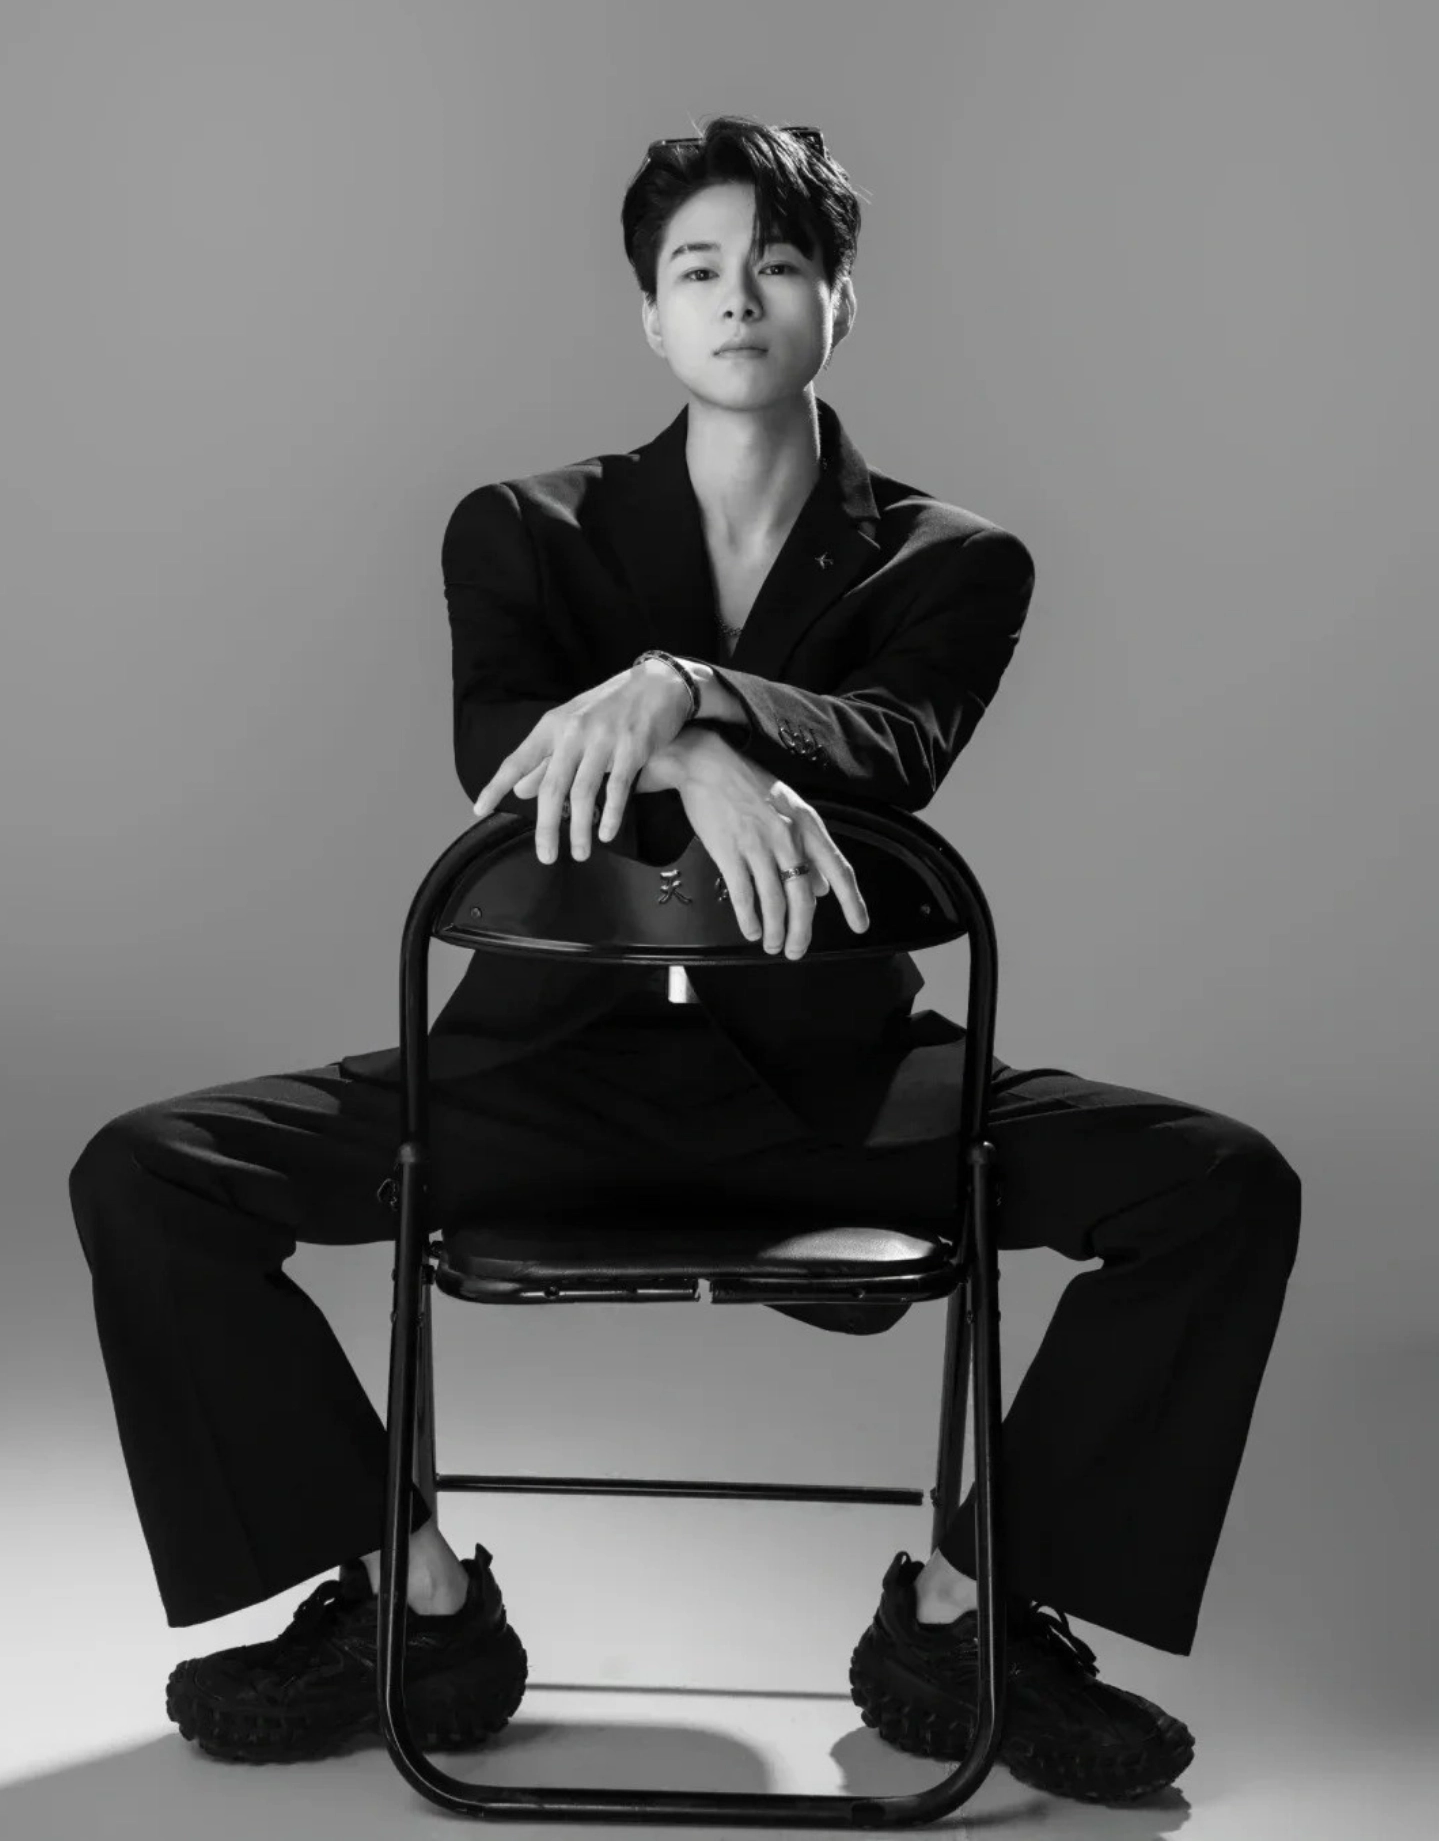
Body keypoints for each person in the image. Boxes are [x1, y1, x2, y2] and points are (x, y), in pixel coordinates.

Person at [69, 116, 1301, 1802]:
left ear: (838, 301)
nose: (737, 298)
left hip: (840, 1096)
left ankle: (965, 1615)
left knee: (1220, 1185)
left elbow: (891, 745)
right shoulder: (521, 527)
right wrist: (699, 743)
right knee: (147, 1174)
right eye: (697, 270)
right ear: (649, 315)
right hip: (537, 1077)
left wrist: (681, 691)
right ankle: (412, 1605)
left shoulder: (953, 560)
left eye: (778, 265)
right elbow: (507, 757)